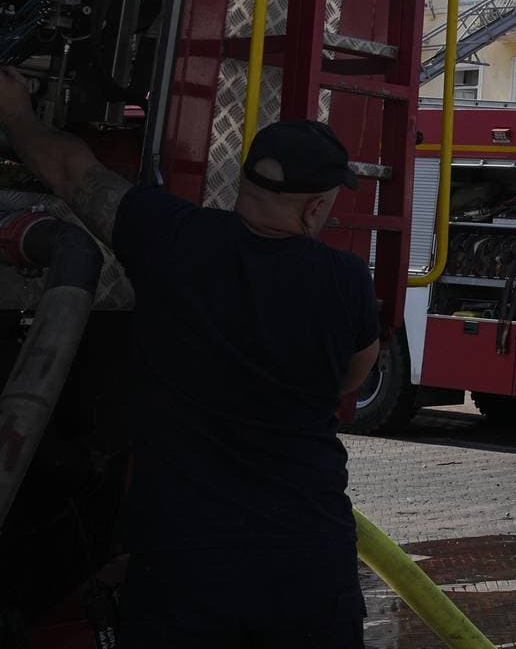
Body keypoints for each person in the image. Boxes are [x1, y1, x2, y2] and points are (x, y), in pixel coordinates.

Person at [0, 69, 379, 647]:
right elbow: (351, 378)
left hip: (184, 569)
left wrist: (17, 113)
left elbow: (73, 172)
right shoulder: (346, 282)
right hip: (306, 567)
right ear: (314, 210)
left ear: (243, 184)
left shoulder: (170, 238)